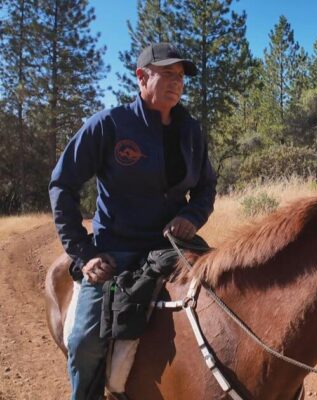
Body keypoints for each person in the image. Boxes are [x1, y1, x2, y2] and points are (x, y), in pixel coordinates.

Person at [49, 42, 217, 400]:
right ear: (142, 77)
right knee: (85, 344)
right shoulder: (109, 125)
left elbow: (206, 188)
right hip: (115, 253)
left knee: (226, 297)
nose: (177, 82)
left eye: (181, 75)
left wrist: (190, 215)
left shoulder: (192, 132)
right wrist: (83, 253)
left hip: (174, 248)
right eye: (167, 73)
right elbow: (62, 184)